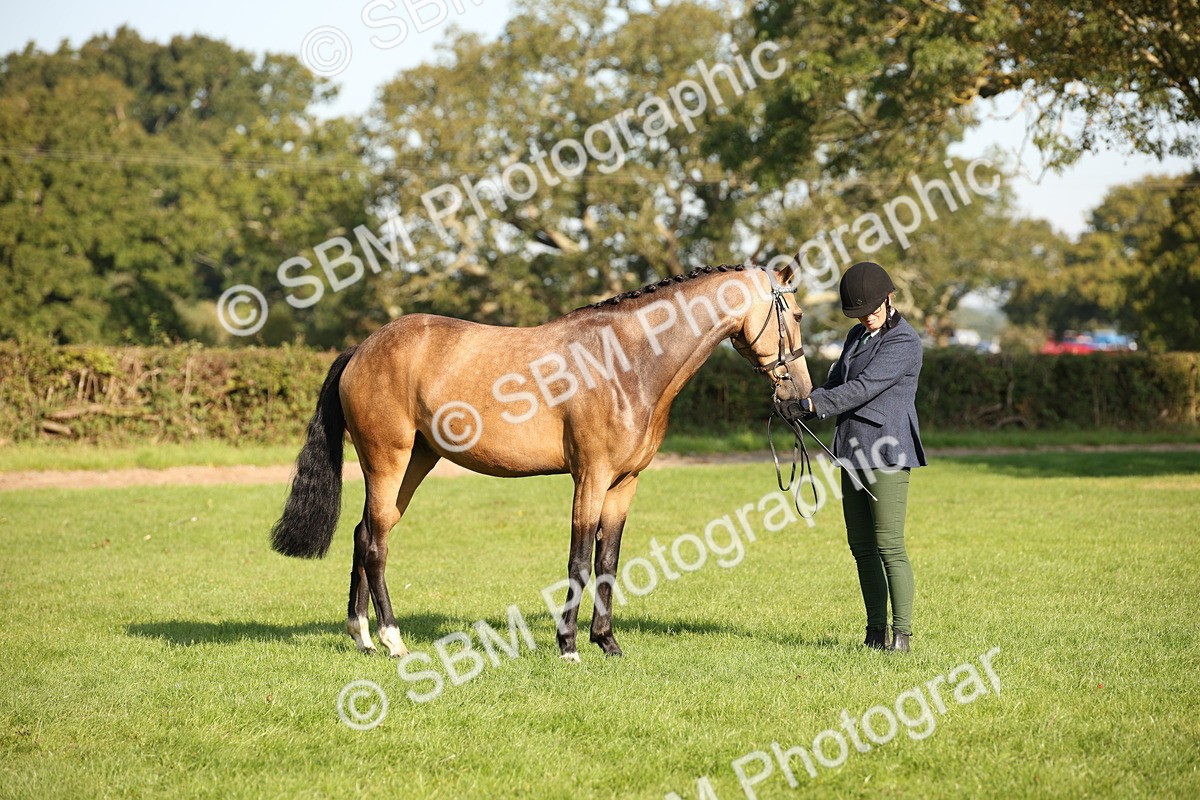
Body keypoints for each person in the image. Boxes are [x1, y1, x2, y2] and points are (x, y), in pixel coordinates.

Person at [791, 261, 926, 653]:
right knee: (862, 547)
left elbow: (864, 388)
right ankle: (874, 632)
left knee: (889, 546)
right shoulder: (855, 335)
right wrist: (799, 399)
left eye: (871, 309)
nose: (866, 317)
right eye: (858, 312)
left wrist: (813, 406)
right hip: (851, 449)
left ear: (889, 298)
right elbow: (837, 382)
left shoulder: (904, 341)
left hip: (887, 450)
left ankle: (902, 635)